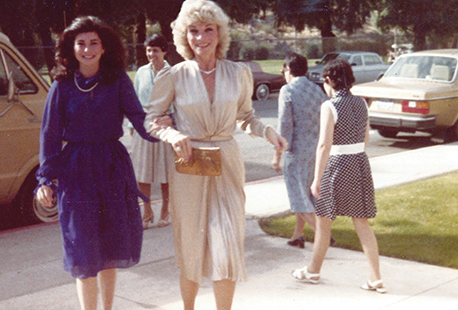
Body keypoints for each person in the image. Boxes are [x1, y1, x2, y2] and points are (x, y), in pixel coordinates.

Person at [145, 1, 288, 309]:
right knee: (191, 245)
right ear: (185, 36)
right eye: (193, 31)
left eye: (208, 29)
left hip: (227, 165)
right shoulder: (175, 75)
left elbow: (247, 117)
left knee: (227, 243)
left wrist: (268, 133)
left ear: (219, 33)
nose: (201, 37)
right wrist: (173, 134)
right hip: (188, 166)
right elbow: (152, 119)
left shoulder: (238, 73)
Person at [34, 16, 169, 310]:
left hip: (112, 168)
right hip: (77, 172)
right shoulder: (62, 85)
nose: (87, 49)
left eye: (94, 42)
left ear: (104, 47)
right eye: (81, 43)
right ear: (72, 47)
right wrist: (45, 180)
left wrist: (164, 129)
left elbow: (139, 120)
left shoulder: (118, 79)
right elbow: (50, 135)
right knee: (83, 251)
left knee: (110, 248)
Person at [291, 58, 385, 294]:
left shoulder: (329, 106)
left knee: (323, 223)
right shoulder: (362, 104)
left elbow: (324, 145)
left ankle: (313, 271)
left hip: (336, 166)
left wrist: (316, 178)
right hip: (359, 163)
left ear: (329, 80)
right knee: (361, 222)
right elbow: (365, 138)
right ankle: (376, 278)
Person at [272, 52, 328, 249]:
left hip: (295, 152)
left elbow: (284, 126)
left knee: (297, 197)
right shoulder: (318, 90)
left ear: (288, 69)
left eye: (283, 70)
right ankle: (298, 235)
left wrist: (276, 156)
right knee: (306, 195)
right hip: (316, 151)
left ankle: (324, 236)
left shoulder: (287, 90)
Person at [130, 34, 172, 229]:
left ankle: (166, 209)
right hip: (144, 125)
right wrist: (132, 127)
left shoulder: (172, 72)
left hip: (165, 125)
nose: (151, 54)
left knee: (166, 172)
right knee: (143, 172)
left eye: (155, 50)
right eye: (148, 50)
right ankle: (146, 211)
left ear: (164, 51)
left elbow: (178, 101)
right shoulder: (141, 72)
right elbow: (135, 101)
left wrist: (171, 120)